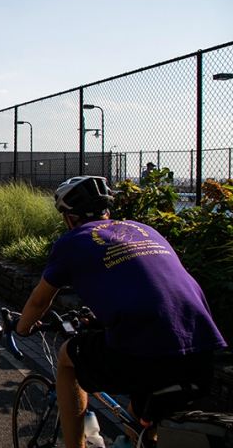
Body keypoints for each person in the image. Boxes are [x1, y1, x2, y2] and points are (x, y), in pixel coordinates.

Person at [15, 176, 226, 448]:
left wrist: (22, 328)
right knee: (139, 426)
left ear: (69, 219)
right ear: (108, 212)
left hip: (142, 355)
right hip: (201, 351)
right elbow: (150, 288)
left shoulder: (72, 241)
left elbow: (38, 302)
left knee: (68, 358)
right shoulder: (145, 230)